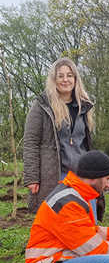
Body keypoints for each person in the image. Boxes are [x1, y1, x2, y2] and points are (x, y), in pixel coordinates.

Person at [23, 57, 100, 220]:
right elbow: (31, 143)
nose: (65, 80)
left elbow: (86, 144)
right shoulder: (42, 106)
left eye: (70, 75)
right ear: (54, 80)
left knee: (88, 219)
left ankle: (90, 245)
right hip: (56, 174)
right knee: (61, 221)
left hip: (82, 175)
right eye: (61, 76)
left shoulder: (84, 106)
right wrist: (32, 177)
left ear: (75, 79)